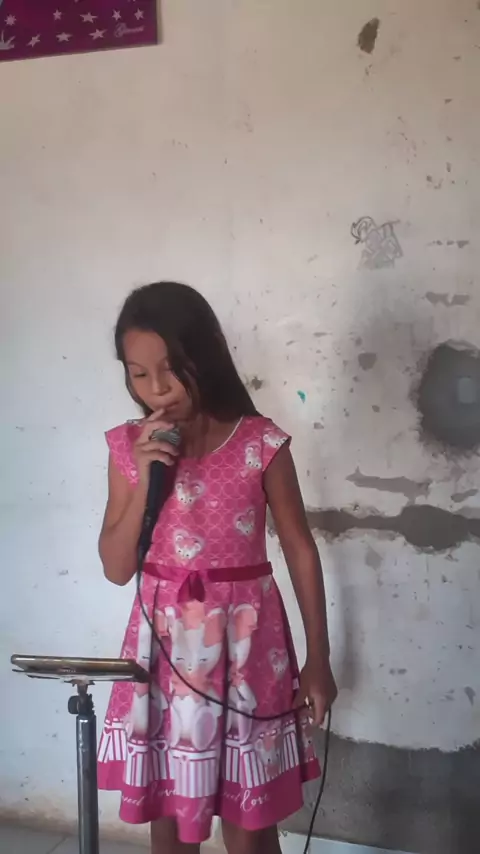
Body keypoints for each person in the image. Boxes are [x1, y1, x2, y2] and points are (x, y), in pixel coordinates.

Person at [97, 282, 337, 854]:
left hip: (248, 652)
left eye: (171, 368)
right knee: (170, 817)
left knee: (251, 826)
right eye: (138, 374)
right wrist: (143, 477)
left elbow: (300, 549)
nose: (157, 388)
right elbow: (115, 568)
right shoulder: (127, 448)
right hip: (165, 655)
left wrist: (318, 659)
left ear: (205, 356)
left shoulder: (260, 443)